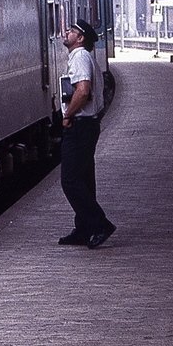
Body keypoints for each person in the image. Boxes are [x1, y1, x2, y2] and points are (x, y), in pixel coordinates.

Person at [57, 19, 115, 248]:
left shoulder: (80, 56)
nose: (67, 32)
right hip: (87, 124)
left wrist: (67, 115)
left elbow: (82, 91)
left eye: (72, 31)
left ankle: (100, 224)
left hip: (80, 125)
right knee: (83, 179)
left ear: (80, 38)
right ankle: (83, 229)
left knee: (70, 180)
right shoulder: (82, 56)